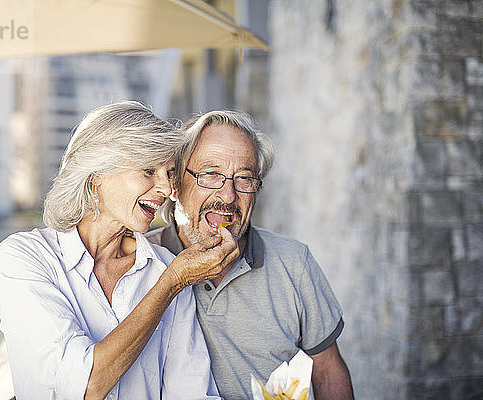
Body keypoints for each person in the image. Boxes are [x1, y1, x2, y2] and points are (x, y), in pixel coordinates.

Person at [0, 102, 239, 400]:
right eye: (149, 170)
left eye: (169, 173)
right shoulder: (24, 258)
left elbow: (191, 392)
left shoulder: (168, 268)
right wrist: (170, 284)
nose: (167, 190)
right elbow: (83, 386)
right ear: (98, 172)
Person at [146, 110, 355, 400]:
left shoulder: (294, 262)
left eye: (244, 179)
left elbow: (328, 371)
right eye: (211, 175)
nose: (229, 195)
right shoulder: (141, 261)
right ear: (176, 184)